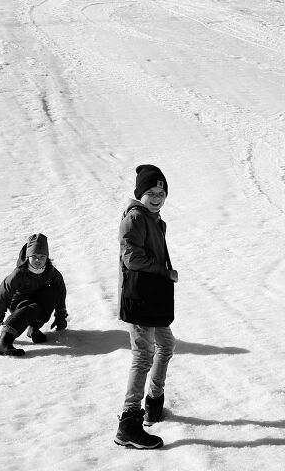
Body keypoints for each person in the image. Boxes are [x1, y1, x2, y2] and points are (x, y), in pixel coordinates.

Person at [114, 164, 178, 450]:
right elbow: (132, 258)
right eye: (151, 192)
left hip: (152, 296)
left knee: (166, 344)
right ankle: (129, 424)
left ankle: (154, 402)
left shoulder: (155, 220)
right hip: (139, 297)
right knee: (143, 356)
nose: (157, 197)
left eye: (161, 193)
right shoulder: (136, 218)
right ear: (140, 194)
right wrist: (164, 272)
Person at [0, 233, 69, 356]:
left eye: (42, 256)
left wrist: (60, 315)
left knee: (51, 293)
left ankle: (33, 329)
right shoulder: (19, 274)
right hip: (18, 304)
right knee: (32, 307)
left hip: (36, 302)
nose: (38, 260)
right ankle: (3, 342)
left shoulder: (51, 272)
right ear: (27, 256)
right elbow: (2, 296)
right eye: (34, 256)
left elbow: (60, 290)